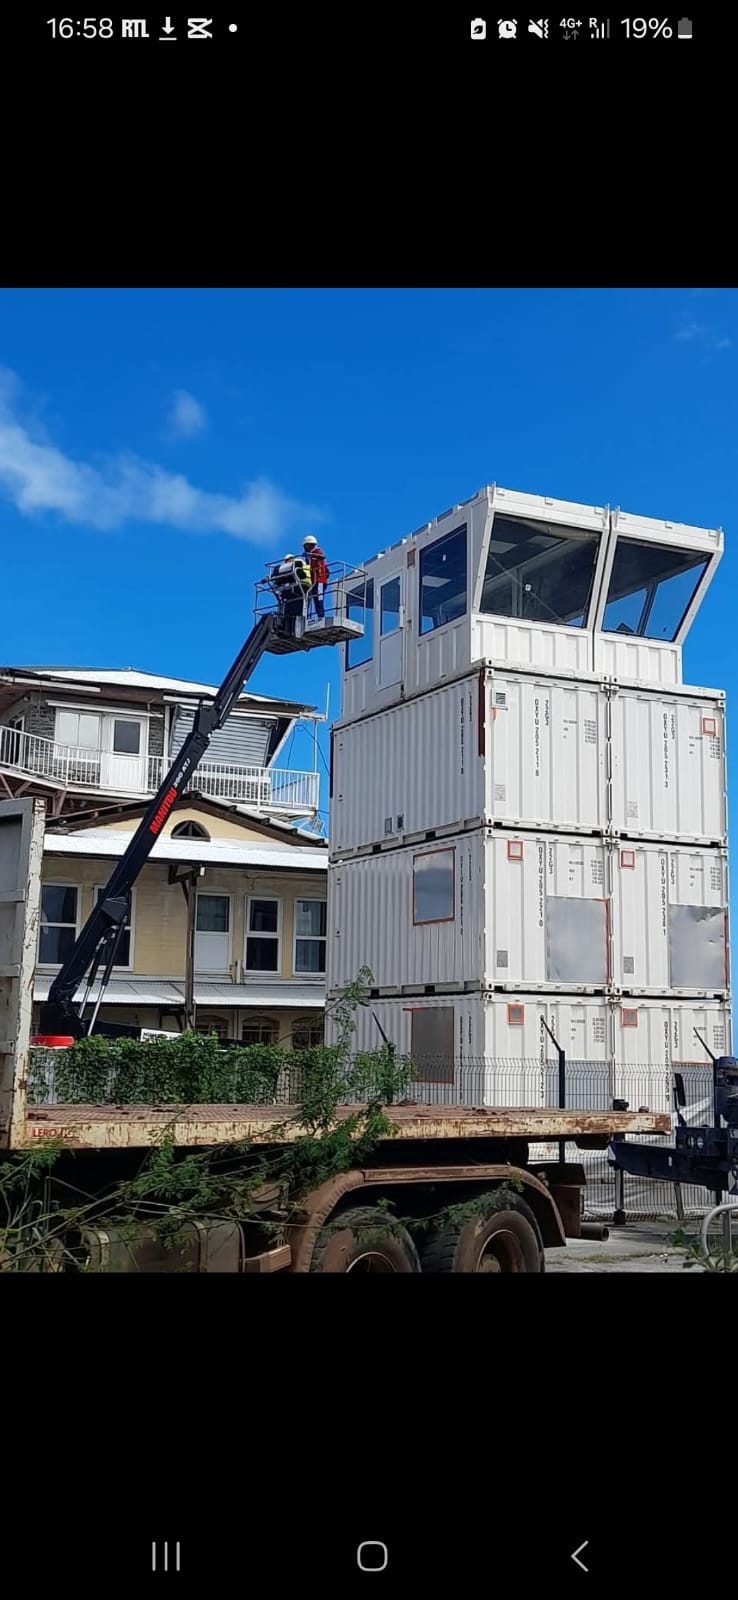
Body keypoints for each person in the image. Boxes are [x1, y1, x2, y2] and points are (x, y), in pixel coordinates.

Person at [302, 535, 330, 620]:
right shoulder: (310, 558)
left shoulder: (317, 551)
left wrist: (322, 578)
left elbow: (322, 556)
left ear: (308, 545)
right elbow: (327, 571)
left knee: (319, 598)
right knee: (315, 599)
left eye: (305, 546)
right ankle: (318, 616)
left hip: (319, 581)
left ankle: (321, 617)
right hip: (314, 581)